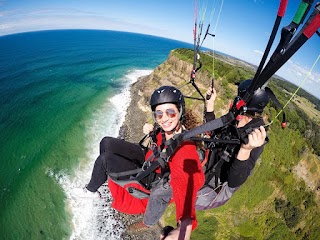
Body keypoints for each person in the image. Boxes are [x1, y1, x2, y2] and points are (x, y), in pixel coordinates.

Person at [73, 85, 204, 240]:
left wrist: (183, 231)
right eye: (159, 114)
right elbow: (162, 137)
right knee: (106, 143)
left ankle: (91, 190)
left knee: (105, 160)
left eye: (170, 112)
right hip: (149, 159)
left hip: (152, 177)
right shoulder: (171, 129)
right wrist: (153, 131)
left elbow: (186, 188)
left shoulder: (185, 151)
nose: (165, 118)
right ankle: (107, 177)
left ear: (180, 111)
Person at [195, 79, 268, 210]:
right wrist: (210, 104)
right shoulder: (235, 118)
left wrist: (245, 150)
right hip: (210, 163)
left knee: (177, 191)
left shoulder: (256, 137)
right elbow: (214, 131)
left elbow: (234, 181)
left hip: (214, 189)